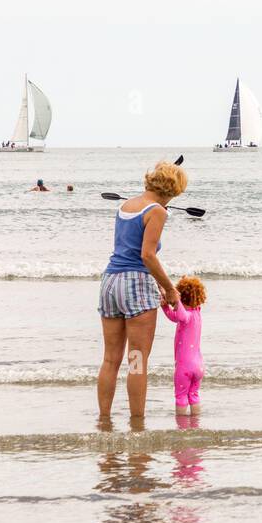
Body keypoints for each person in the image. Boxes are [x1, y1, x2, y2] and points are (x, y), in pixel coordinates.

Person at [96, 160, 188, 419]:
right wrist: (169, 289)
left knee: (110, 359)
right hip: (136, 285)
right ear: (172, 189)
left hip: (111, 282)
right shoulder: (157, 211)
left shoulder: (125, 205)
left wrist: (158, 283)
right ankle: (137, 424)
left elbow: (129, 251)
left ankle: (104, 419)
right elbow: (147, 255)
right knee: (137, 360)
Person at [162, 276, 207, 416]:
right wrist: (165, 305)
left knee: (181, 397)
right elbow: (174, 316)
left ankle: (182, 426)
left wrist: (175, 301)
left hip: (185, 367)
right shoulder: (197, 313)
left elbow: (180, 315)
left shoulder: (186, 316)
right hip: (199, 366)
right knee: (194, 395)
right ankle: (195, 423)